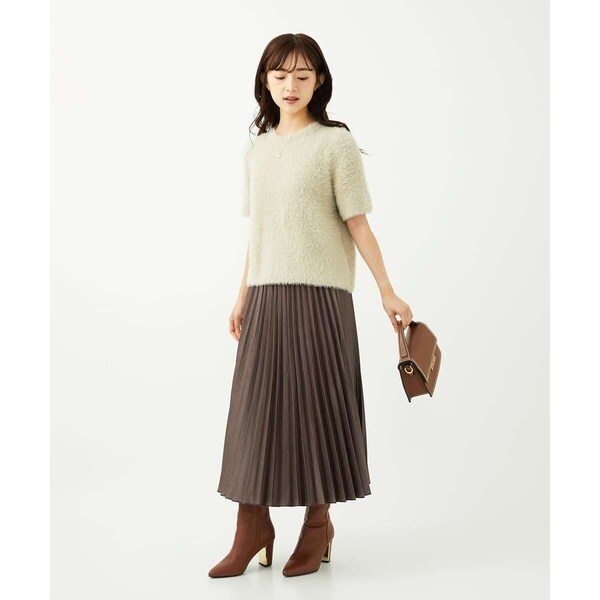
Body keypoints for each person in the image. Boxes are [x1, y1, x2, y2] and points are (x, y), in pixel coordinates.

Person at [208, 33, 413, 579]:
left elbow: (357, 223)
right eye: (280, 76)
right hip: (266, 295)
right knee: (255, 415)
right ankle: (252, 526)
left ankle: (317, 523)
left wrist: (386, 289)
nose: (290, 86)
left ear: (319, 80)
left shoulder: (334, 144)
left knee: (317, 409)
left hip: (322, 296)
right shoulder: (257, 149)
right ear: (265, 81)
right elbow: (261, 231)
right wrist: (243, 293)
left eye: (302, 75)